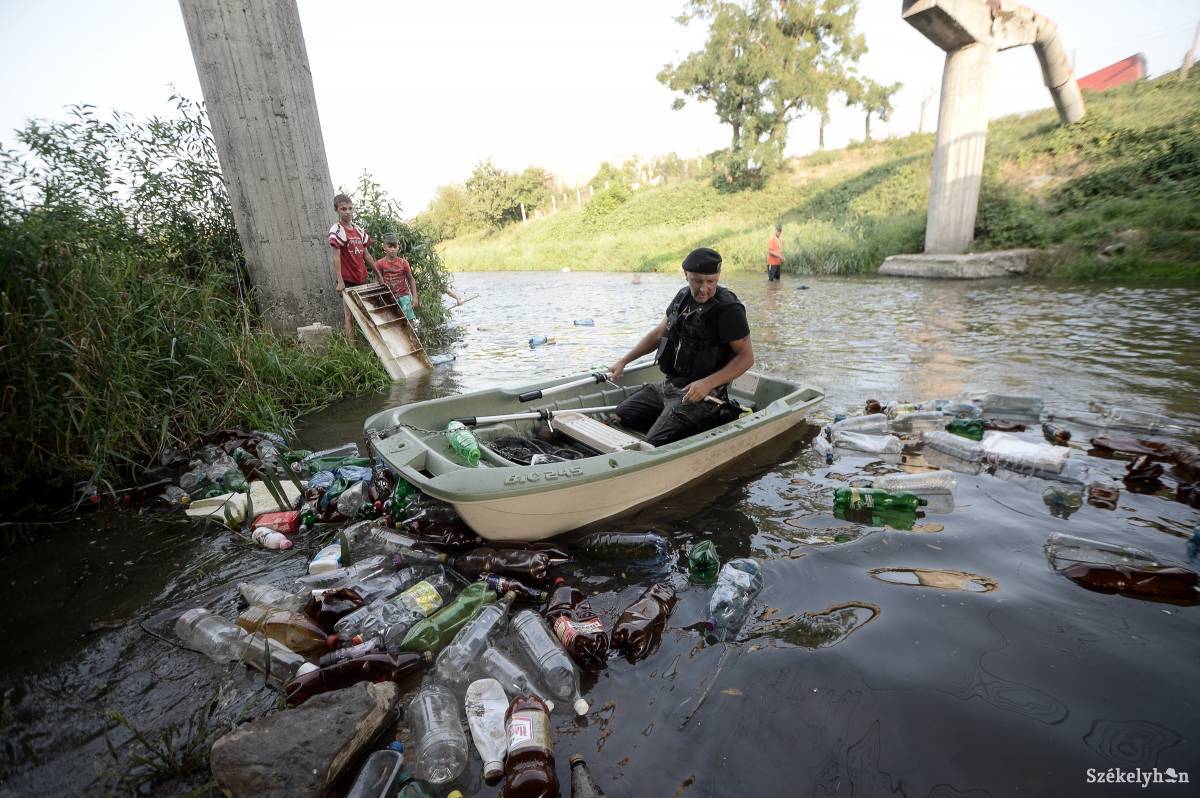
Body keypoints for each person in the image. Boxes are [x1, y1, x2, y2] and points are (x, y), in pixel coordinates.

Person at [607, 247, 754, 446]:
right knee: (623, 414)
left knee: (652, 444)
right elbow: (659, 334)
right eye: (697, 281)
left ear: (718, 276)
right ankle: (676, 420)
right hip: (670, 386)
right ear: (686, 275)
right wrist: (623, 361)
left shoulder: (729, 309)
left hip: (703, 394)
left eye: (711, 282)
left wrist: (708, 384)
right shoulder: (682, 297)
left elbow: (746, 358)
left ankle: (715, 415)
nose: (704, 289)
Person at [328, 193, 379, 337]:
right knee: (349, 316)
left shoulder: (358, 230)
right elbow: (336, 256)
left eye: (350, 208)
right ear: (336, 210)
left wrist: (378, 274)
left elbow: (366, 254)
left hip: (361, 277)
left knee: (367, 314)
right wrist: (340, 281)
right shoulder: (337, 230)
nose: (348, 212)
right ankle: (352, 348)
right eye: (343, 209)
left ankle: (372, 345)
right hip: (348, 280)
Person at [376, 233, 420, 321]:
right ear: (384, 247)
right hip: (388, 296)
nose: (392, 249)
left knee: (408, 321)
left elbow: (411, 279)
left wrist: (415, 297)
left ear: (398, 247)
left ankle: (410, 334)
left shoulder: (403, 263)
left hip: (404, 296)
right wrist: (378, 298)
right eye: (390, 247)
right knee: (391, 322)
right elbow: (377, 281)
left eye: (394, 247)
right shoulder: (380, 263)